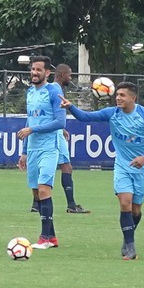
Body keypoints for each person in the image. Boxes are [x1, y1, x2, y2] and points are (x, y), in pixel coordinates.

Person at [61, 82, 144, 260]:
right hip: (122, 166)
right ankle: (131, 247)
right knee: (125, 202)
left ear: (133, 98)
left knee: (136, 209)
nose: (118, 98)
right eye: (117, 94)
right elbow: (85, 117)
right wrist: (70, 107)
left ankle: (127, 238)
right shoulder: (112, 113)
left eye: (123, 95)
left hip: (142, 167)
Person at [15, 56, 66, 249]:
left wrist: (33, 130)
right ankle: (51, 237)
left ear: (47, 73)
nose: (34, 73)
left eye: (38, 70)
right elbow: (30, 122)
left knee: (45, 188)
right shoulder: (30, 92)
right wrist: (24, 152)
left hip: (49, 147)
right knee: (37, 193)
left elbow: (60, 123)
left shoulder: (53, 91)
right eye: (33, 69)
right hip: (33, 148)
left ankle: (45, 238)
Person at [51, 64, 90, 213]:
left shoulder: (51, 88)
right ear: (61, 75)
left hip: (56, 130)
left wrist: (62, 128)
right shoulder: (56, 89)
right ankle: (71, 205)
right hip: (54, 134)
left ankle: (36, 203)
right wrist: (59, 128)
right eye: (69, 75)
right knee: (66, 167)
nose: (71, 78)